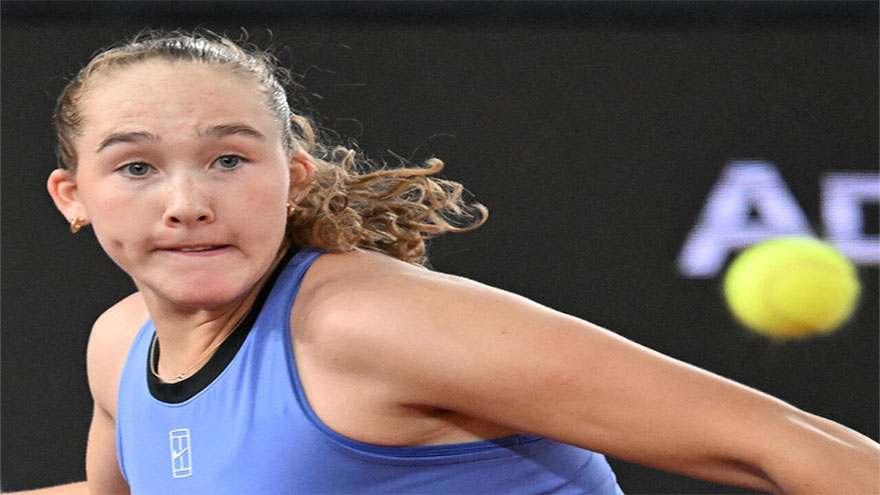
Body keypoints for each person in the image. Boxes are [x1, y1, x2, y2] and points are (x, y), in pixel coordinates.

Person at [18, 29, 878, 494]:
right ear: (73, 196)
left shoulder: (368, 322)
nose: (187, 202)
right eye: (136, 167)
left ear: (293, 179)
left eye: (230, 159)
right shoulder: (120, 345)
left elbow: (787, 444)